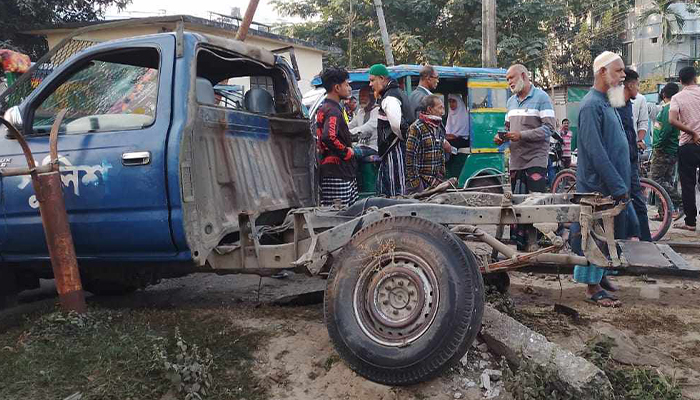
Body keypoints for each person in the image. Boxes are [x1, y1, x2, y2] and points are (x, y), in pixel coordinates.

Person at [573, 51, 639, 307]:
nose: (623, 75)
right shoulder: (590, 105)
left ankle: (600, 278)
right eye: (618, 70)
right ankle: (592, 289)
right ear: (602, 72)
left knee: (608, 236)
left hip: (611, 185)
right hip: (597, 187)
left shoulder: (606, 102)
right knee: (595, 237)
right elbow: (595, 151)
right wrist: (617, 185)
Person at [494, 64, 556, 249]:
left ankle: (535, 242)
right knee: (517, 203)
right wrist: (501, 137)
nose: (509, 83)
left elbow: (549, 129)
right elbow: (507, 129)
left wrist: (521, 135)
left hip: (536, 159)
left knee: (535, 202)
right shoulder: (511, 102)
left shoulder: (542, 98)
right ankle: (520, 245)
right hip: (516, 160)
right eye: (507, 80)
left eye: (511, 78)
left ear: (523, 75)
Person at [616, 68, 651, 242]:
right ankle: (637, 241)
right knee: (629, 203)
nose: (638, 88)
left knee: (636, 203)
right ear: (629, 85)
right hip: (622, 163)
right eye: (637, 84)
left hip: (630, 160)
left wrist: (638, 142)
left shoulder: (631, 102)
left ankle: (644, 241)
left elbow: (636, 128)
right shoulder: (614, 105)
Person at [370, 63, 414, 197]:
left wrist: (404, 139)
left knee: (397, 187)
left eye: (372, 80)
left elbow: (397, 125)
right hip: (397, 146)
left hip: (394, 148)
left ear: (382, 78)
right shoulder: (396, 92)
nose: (370, 84)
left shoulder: (390, 97)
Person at [316, 68, 358, 207]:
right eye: (346, 84)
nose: (349, 88)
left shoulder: (327, 107)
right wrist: (347, 152)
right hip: (337, 173)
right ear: (337, 87)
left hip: (337, 171)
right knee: (341, 217)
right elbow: (329, 137)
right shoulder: (332, 110)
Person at [669, 66, 700, 231]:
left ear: (680, 81)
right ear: (695, 78)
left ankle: (690, 222)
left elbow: (672, 120)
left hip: (688, 146)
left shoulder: (677, 98)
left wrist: (691, 132)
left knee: (688, 184)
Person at [650, 82, 683, 219]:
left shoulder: (668, 109)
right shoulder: (675, 108)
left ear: (664, 94)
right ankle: (664, 213)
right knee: (666, 180)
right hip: (671, 149)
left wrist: (658, 145)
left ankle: (681, 202)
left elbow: (665, 131)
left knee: (656, 180)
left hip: (664, 150)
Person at [405, 95, 448, 193]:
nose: (442, 112)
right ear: (429, 109)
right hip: (420, 185)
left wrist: (441, 175)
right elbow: (410, 157)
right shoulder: (416, 128)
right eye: (440, 108)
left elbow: (441, 153)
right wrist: (416, 184)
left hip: (436, 183)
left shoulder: (438, 127)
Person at [349, 86, 379, 157]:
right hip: (361, 145)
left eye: (364, 96)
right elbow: (351, 124)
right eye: (360, 96)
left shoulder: (377, 111)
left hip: (373, 147)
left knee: (350, 154)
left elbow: (368, 127)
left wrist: (350, 132)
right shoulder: (360, 112)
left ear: (371, 97)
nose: (361, 98)